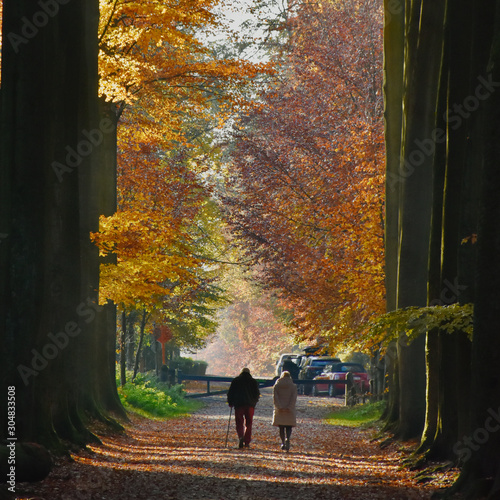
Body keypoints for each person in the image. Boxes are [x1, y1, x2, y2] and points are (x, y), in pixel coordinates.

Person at [227, 367, 260, 448]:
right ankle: (247, 441)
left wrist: (230, 402)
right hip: (250, 405)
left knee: (239, 422)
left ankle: (241, 437)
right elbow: (257, 394)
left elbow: (230, 392)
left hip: (239, 405)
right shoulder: (253, 381)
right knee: (249, 423)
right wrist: (254, 402)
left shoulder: (236, 380)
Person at [272, 371, 297, 451]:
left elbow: (275, 397)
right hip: (289, 410)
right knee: (289, 426)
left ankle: (283, 442)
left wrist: (279, 406)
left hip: (280, 409)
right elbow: (294, 398)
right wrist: (290, 407)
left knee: (281, 427)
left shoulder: (277, 385)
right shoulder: (293, 386)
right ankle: (288, 438)